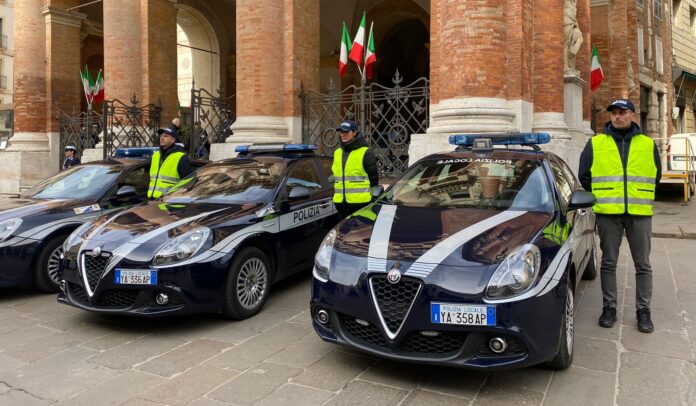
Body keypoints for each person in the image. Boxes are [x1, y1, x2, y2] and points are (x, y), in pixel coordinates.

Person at [578, 98, 661, 333]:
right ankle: (609, 308)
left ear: (633, 115)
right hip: (608, 213)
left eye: (622, 112)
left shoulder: (647, 144)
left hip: (639, 213)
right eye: (614, 113)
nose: (617, 117)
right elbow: (584, 175)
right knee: (608, 263)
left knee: (643, 265)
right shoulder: (595, 143)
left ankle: (643, 311)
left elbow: (656, 175)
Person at [332, 120, 379, 218]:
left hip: (361, 204)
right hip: (341, 204)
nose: (342, 134)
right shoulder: (337, 153)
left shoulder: (365, 152)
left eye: (346, 132)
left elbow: (374, 179)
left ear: (354, 132)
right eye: (341, 132)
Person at [147, 126, 193, 199]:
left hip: (170, 202)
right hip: (152, 201)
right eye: (161, 136)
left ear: (173, 140)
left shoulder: (180, 157)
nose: (162, 138)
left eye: (165, 136)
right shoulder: (155, 155)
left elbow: (189, 182)